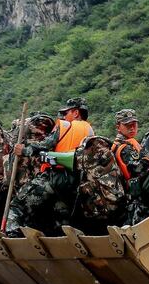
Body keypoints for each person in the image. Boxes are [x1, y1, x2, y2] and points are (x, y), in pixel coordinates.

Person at [6, 98, 94, 236]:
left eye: (66, 112)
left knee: (18, 205)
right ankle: (65, 244)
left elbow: (44, 145)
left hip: (55, 177)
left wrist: (23, 150)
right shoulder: (89, 131)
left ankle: (12, 236)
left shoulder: (65, 125)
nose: (64, 116)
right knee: (60, 216)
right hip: (74, 182)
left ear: (76, 112)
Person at [111, 109, 147, 224]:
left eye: (134, 125)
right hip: (134, 195)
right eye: (127, 125)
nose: (132, 128)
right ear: (118, 127)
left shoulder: (126, 143)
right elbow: (137, 170)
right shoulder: (125, 147)